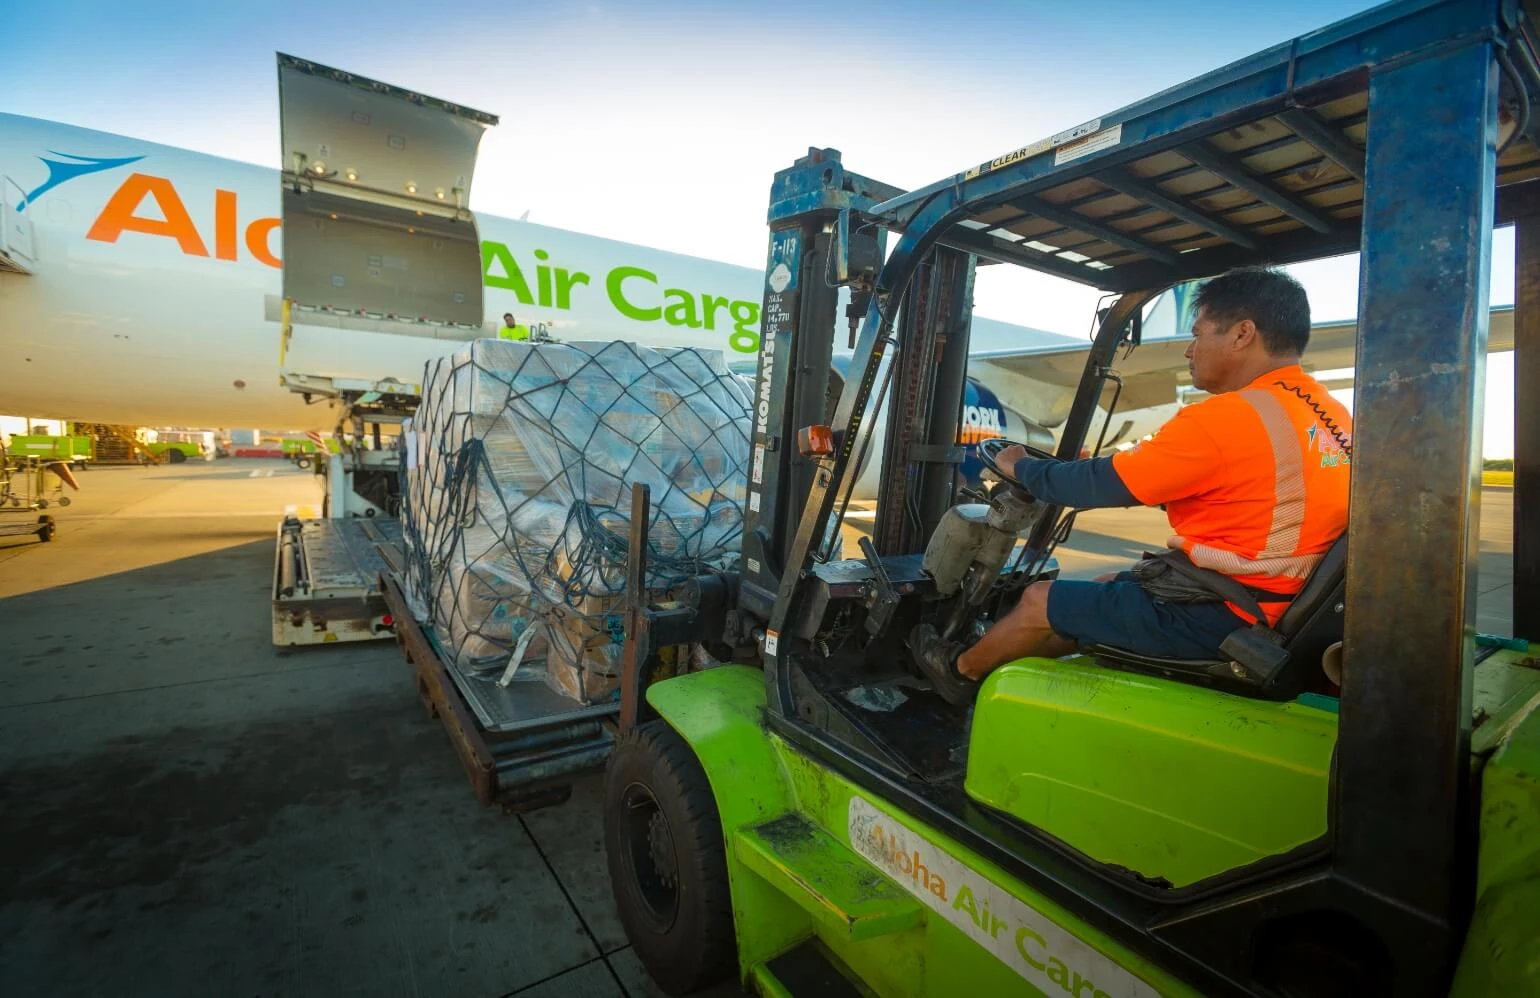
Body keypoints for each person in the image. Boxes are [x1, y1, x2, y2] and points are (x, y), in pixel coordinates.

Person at [909, 266, 1353, 704]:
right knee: (1105, 584)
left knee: (1038, 599)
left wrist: (1021, 466)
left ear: (1241, 334)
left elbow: (1100, 484)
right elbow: (1271, 492)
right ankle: (1009, 672)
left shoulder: (1232, 417)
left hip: (1232, 613)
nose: (1188, 351)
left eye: (1197, 335)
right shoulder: (1329, 415)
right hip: (1276, 599)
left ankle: (959, 672)